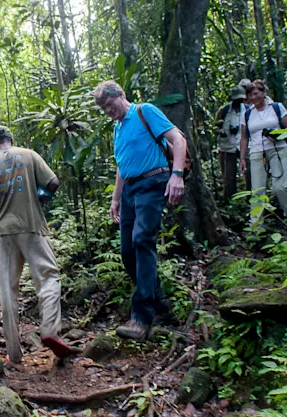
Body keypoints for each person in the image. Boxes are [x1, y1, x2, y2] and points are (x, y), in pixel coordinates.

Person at [93, 80, 187, 340]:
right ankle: (160, 305)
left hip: (152, 182)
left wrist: (177, 174)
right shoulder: (117, 129)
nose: (109, 111)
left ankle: (141, 317)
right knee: (127, 252)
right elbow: (122, 166)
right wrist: (115, 199)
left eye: (111, 105)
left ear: (122, 95)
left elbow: (177, 139)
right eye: (104, 109)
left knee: (142, 240)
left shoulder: (144, 111)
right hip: (130, 192)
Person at [0, 126, 73, 363]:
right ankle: (49, 329)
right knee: (48, 277)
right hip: (32, 226)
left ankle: (14, 354)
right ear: (10, 140)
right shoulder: (29, 154)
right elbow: (53, 182)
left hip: (4, 234)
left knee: (8, 290)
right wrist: (40, 199)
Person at [238, 80, 287, 226]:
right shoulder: (247, 114)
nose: (253, 97)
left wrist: (277, 134)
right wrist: (242, 158)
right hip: (257, 152)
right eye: (250, 94)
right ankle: (255, 225)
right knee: (257, 190)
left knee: (279, 187)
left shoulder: (276, 107)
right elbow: (244, 137)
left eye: (256, 93)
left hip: (278, 149)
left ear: (263, 93)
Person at [215, 85, 251, 202]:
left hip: (244, 146)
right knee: (228, 176)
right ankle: (229, 200)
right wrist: (221, 131)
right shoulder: (223, 110)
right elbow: (215, 127)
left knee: (249, 173)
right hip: (227, 147)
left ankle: (250, 197)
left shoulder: (248, 109)